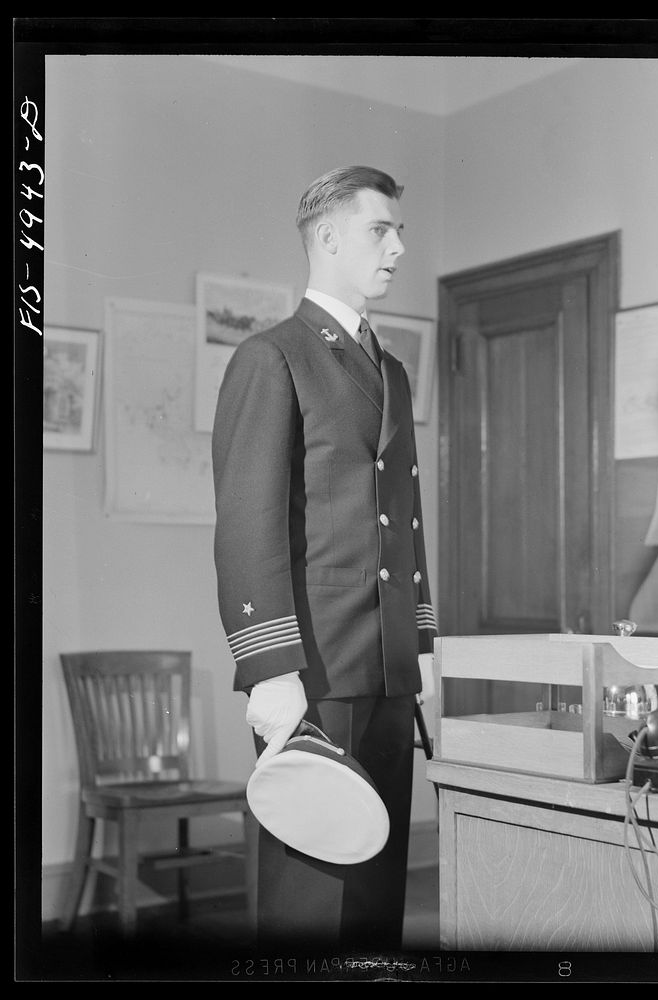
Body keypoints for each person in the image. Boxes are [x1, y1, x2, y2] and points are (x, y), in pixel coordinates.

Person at [211, 165, 437, 952]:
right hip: (309, 672)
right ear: (330, 237)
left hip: (383, 668)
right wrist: (269, 669)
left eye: (398, 231)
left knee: (376, 902)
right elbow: (247, 525)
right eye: (382, 230)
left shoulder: (390, 369)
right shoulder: (272, 358)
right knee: (312, 905)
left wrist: (420, 643)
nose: (399, 248)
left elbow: (400, 516)